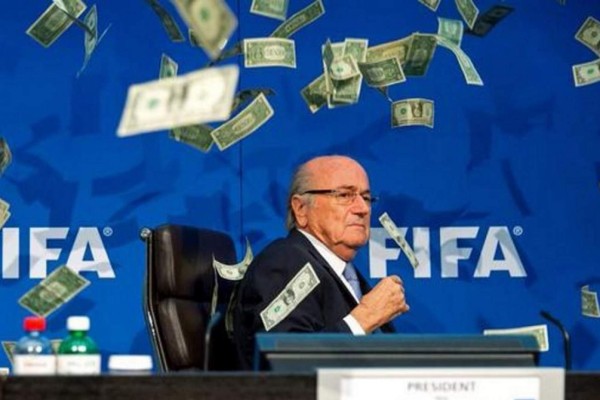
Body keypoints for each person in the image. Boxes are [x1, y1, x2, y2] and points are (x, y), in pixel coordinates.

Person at [232, 155, 410, 369]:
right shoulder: (284, 263)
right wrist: (364, 318)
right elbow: (285, 361)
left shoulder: (343, 273)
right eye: (344, 195)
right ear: (301, 209)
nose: (362, 208)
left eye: (366, 197)